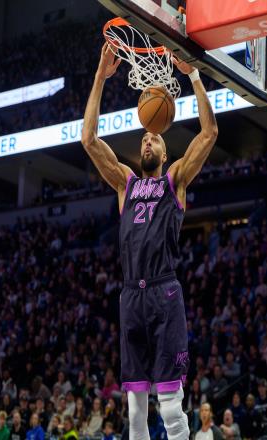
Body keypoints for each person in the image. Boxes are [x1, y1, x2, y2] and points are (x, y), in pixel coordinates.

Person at [82, 42, 218, 440]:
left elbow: (210, 133)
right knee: (135, 411)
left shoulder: (175, 180)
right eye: (143, 138)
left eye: (154, 139)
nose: (147, 141)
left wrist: (194, 76)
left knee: (171, 407)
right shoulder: (125, 184)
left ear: (164, 150)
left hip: (164, 292)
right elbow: (89, 139)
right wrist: (100, 77)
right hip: (130, 296)